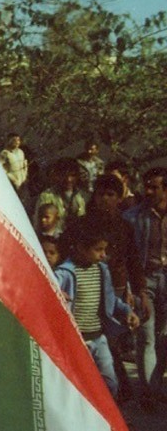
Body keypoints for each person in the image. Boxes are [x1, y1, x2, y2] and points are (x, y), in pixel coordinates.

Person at [55, 223, 139, 398]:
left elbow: (111, 300)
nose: (103, 254)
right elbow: (45, 287)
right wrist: (55, 293)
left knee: (110, 383)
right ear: (80, 248)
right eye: (98, 249)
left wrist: (127, 312)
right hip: (77, 340)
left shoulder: (102, 270)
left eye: (104, 249)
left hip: (98, 338)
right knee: (78, 386)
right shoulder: (65, 272)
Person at [125, 166, 167, 409]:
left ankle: (155, 385)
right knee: (147, 337)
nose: (148, 191)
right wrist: (134, 288)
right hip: (145, 280)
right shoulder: (133, 217)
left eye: (154, 187)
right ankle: (149, 393)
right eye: (146, 186)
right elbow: (130, 257)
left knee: (163, 338)